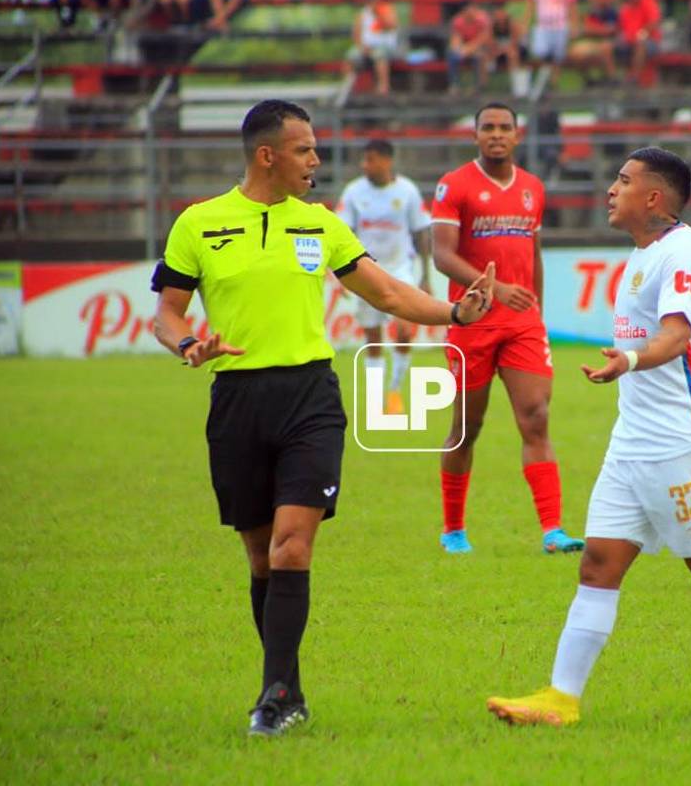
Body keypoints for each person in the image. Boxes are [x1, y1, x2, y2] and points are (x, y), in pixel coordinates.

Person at [150, 99, 494, 736]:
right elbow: (167, 313)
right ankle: (291, 687)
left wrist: (455, 314)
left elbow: (386, 290)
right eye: (304, 149)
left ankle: (273, 695)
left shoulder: (322, 224)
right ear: (267, 155)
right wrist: (188, 344)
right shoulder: (199, 223)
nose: (316, 160)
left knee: (292, 544)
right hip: (236, 403)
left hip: (310, 399)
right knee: (261, 557)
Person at [485, 147, 691, 727]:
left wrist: (629, 360)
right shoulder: (644, 254)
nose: (611, 189)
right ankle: (561, 699)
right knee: (598, 564)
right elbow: (688, 338)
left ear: (653, 198)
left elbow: (674, 335)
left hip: (680, 444)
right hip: (632, 443)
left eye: (623, 181)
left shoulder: (681, 254)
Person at [431, 102, 583, 555]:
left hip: (521, 323)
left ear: (518, 135)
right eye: (487, 127)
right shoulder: (453, 186)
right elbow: (442, 255)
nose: (496, 134)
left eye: (504, 128)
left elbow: (533, 252)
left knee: (536, 417)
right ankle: (453, 529)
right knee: (466, 426)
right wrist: (495, 290)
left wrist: (535, 308)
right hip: (472, 320)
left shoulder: (533, 188)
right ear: (475, 135)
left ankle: (553, 531)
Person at [334, 139, 433, 415]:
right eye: (364, 160)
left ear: (387, 161)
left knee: (404, 329)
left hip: (400, 269)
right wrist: (341, 274)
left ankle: (395, 389)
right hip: (365, 269)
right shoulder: (354, 192)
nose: (365, 165)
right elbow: (341, 233)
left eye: (371, 160)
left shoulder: (407, 191)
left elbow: (421, 232)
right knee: (373, 338)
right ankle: (376, 398)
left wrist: (425, 276)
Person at [525, 0, 579, 75]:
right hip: (543, 25)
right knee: (540, 51)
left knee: (558, 56)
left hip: (560, 25)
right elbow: (530, 7)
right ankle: (543, 75)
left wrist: (574, 26)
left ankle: (554, 79)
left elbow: (572, 9)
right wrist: (526, 23)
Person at [346, 0, 399, 95]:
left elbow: (391, 25)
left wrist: (379, 14)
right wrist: (362, 46)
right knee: (351, 56)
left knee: (379, 55)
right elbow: (356, 33)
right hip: (366, 46)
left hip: (384, 46)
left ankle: (383, 87)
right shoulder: (363, 14)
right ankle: (349, 89)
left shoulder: (387, 10)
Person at [617, 0, 662, 86]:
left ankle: (633, 78)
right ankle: (615, 79)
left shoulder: (649, 3)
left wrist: (641, 34)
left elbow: (653, 23)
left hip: (650, 41)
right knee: (615, 46)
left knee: (640, 45)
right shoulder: (625, 8)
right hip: (630, 41)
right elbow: (622, 29)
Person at [447, 0, 493, 93]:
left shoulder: (482, 20)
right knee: (452, 56)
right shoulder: (458, 21)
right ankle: (454, 85)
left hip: (479, 48)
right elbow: (455, 40)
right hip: (463, 48)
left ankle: (478, 87)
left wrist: (469, 49)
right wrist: (460, 49)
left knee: (479, 57)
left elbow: (483, 39)